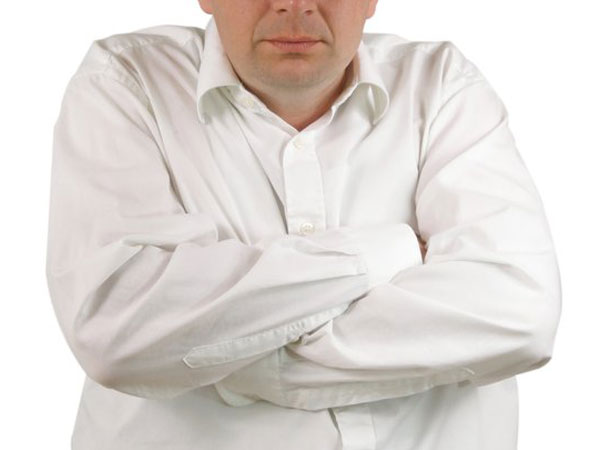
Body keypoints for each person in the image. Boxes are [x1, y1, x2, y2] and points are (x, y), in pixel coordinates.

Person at [45, 0, 562, 449]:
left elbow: (520, 316)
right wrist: (388, 253)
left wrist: (233, 359)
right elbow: (117, 328)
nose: (294, 5)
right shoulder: (126, 82)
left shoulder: (443, 86)